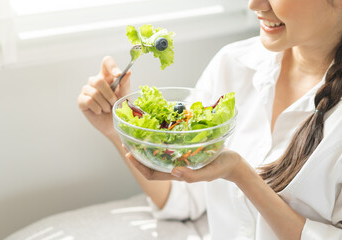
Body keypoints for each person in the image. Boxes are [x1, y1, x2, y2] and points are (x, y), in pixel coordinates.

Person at [77, 0, 342, 239]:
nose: (254, 4)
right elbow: (185, 199)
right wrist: (121, 131)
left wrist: (241, 175)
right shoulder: (233, 64)